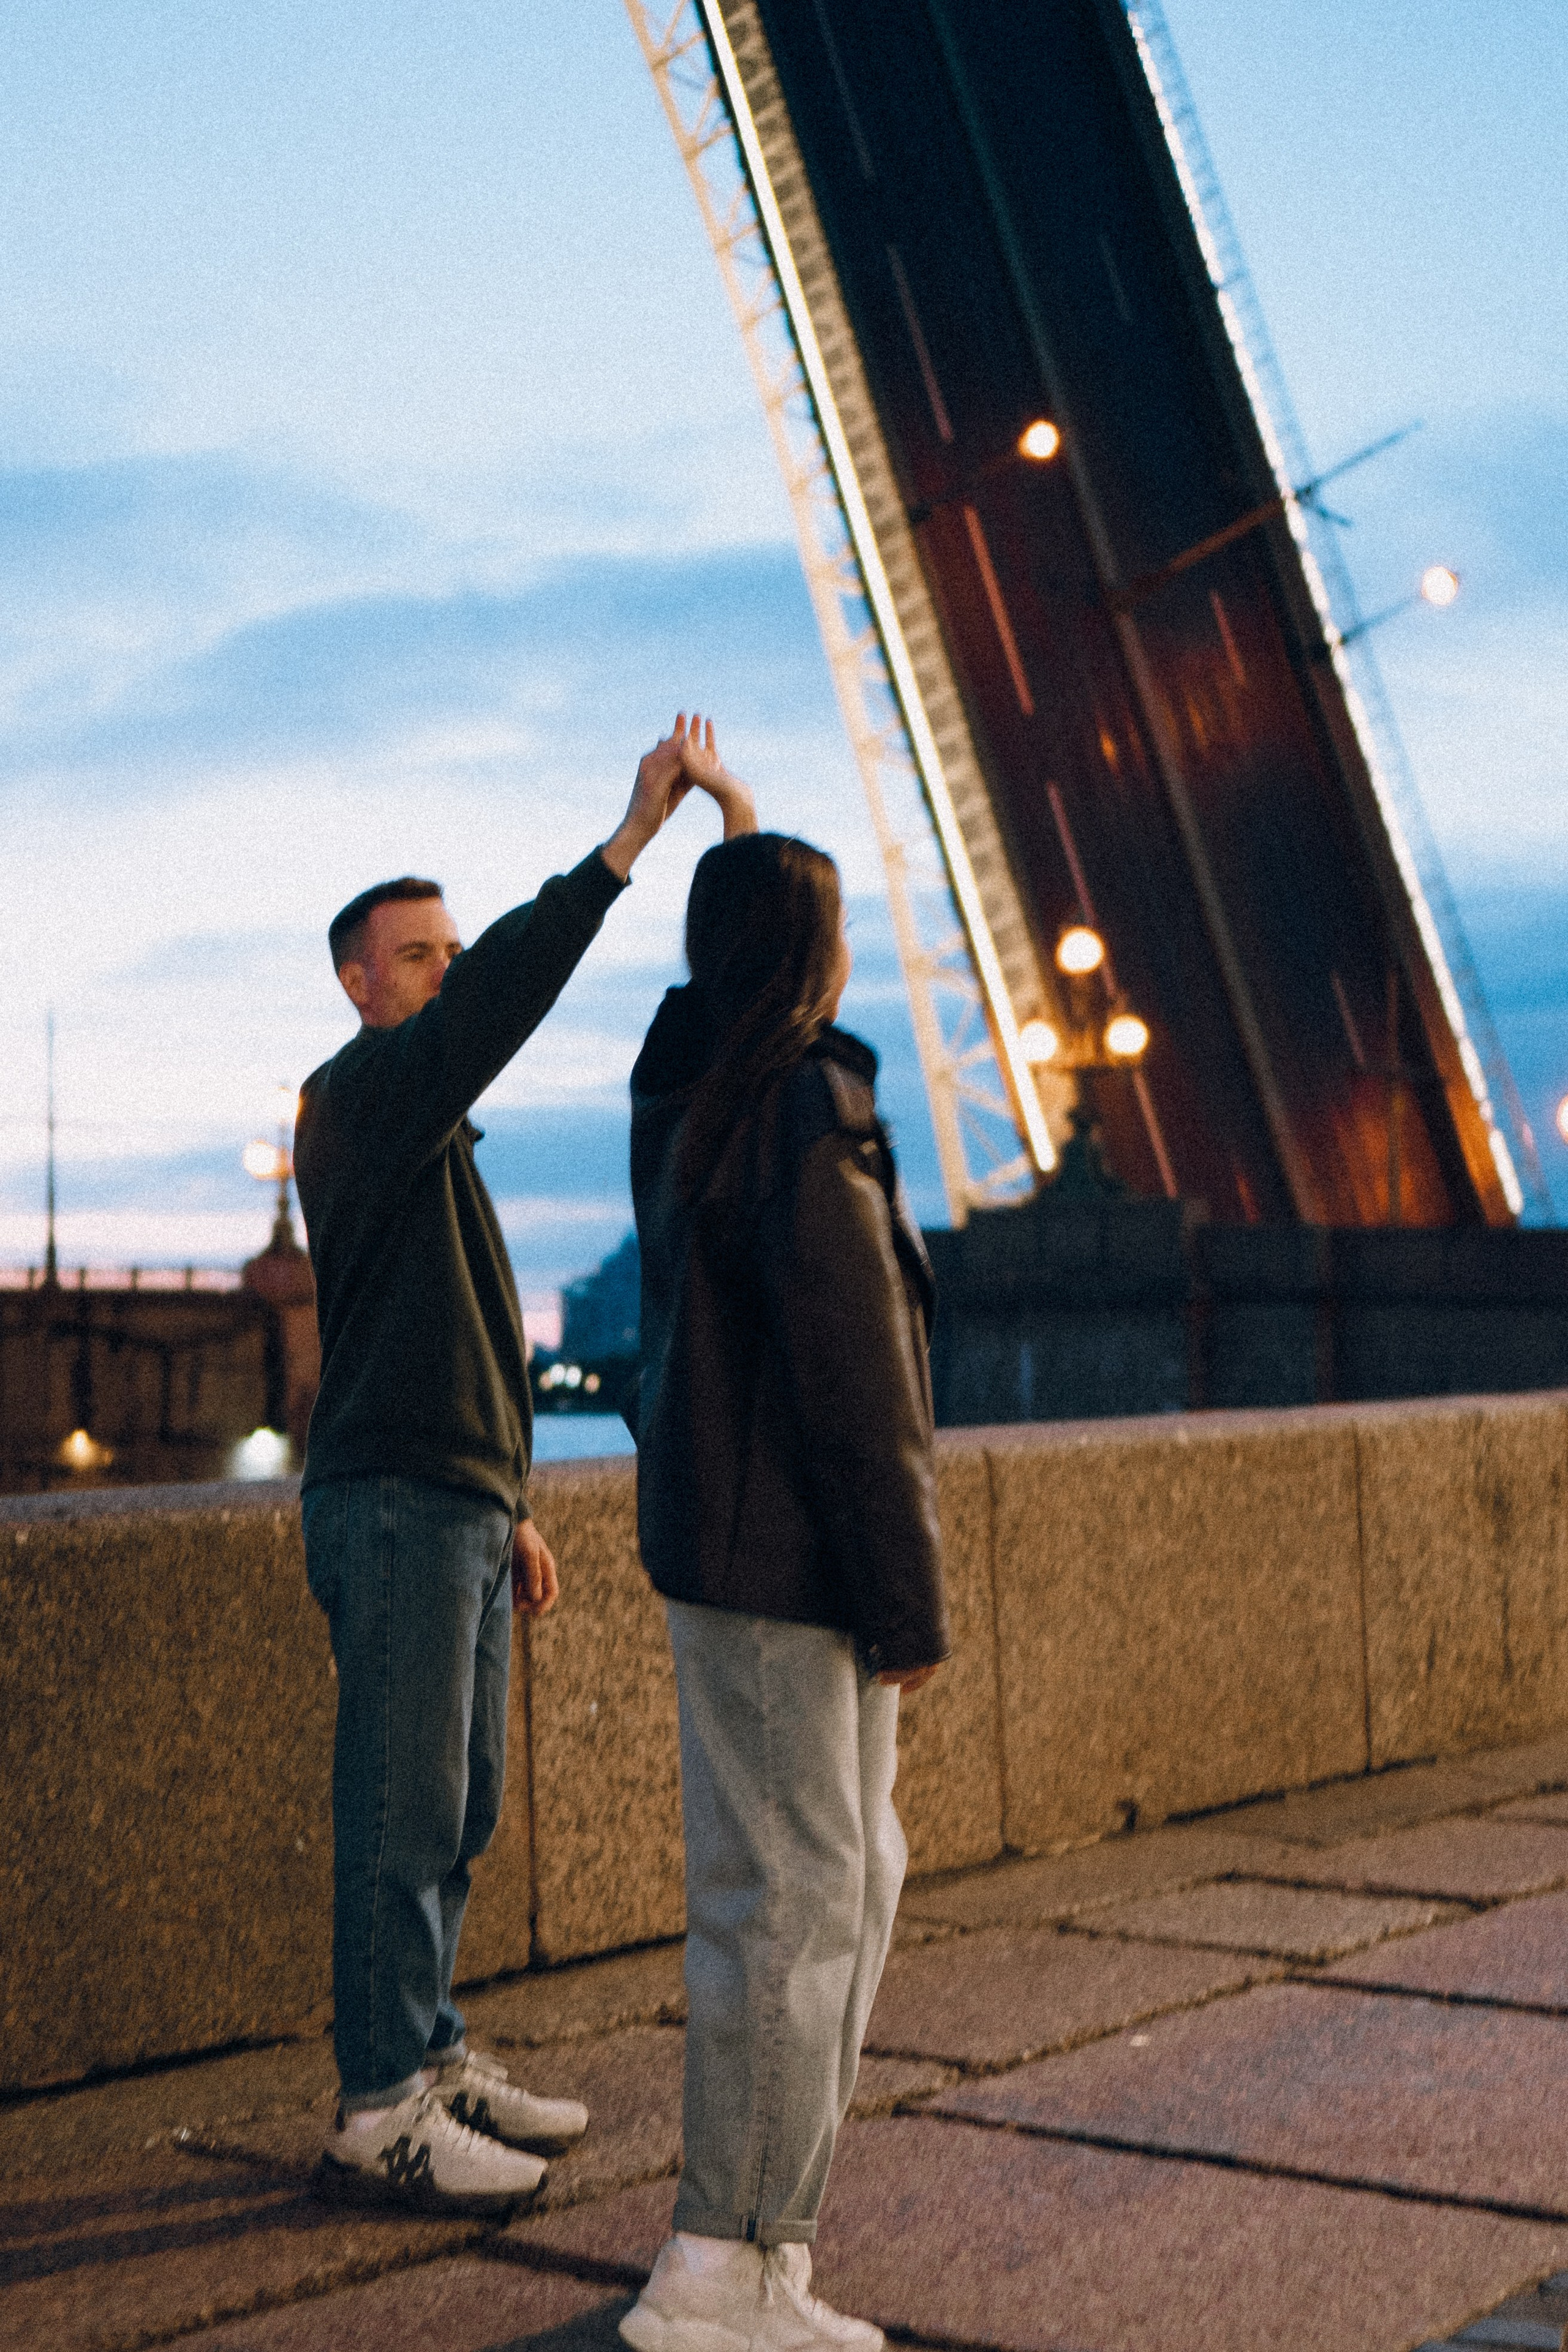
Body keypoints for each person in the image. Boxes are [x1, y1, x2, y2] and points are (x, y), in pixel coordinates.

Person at [295, 715, 753, 2217]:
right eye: (415, 956)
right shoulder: (361, 1101)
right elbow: (500, 995)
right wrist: (625, 849)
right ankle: (379, 2110)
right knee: (400, 1808)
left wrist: (509, 1501)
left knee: (461, 1801)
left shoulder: (436, 1141)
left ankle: (429, 2054)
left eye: (442, 950)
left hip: (457, 1506)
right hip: (391, 1504)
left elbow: (459, 1342)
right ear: (361, 984)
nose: (439, 971)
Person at [621, 820, 950, 2352]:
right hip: (791, 1565)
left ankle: (768, 2250)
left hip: (739, 1549)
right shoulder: (802, 1108)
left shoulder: (695, 1094)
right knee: (794, 1905)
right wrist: (908, 1599)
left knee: (848, 1882)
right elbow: (854, 1378)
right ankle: (720, 2264)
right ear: (817, 954)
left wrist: (733, 839)